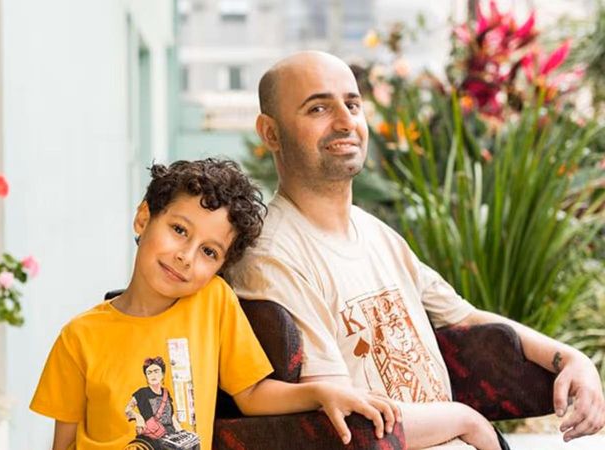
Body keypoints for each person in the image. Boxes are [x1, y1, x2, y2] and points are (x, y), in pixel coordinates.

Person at [226, 51, 605, 450]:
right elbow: (346, 419)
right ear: (270, 133)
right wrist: (467, 420)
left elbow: (466, 318)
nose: (345, 122)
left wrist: (570, 360)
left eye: (352, 104)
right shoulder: (272, 257)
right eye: (318, 107)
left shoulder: (376, 234)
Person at [30, 159, 401, 450]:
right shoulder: (78, 337)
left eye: (209, 251)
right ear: (144, 218)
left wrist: (323, 392)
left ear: (220, 266)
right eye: (179, 230)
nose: (187, 257)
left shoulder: (213, 303)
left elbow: (253, 394)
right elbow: (64, 444)